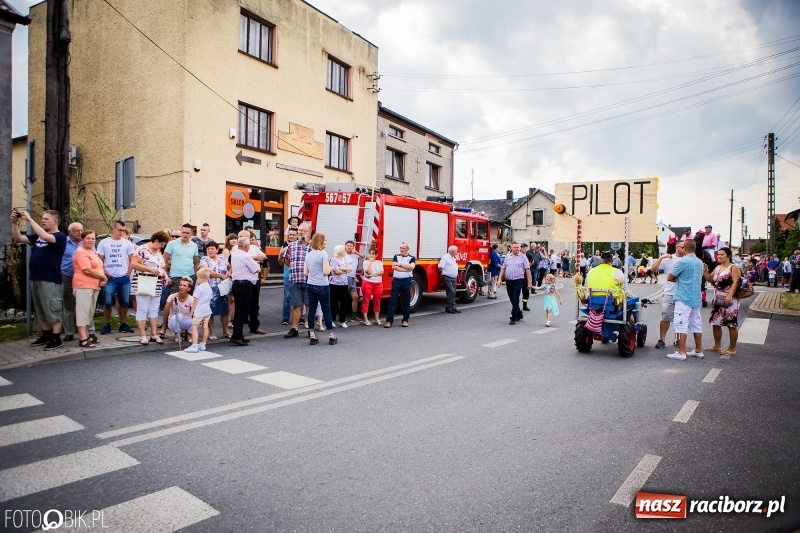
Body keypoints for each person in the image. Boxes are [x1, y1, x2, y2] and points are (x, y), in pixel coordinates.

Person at [11, 209, 68, 350]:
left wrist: (30, 220)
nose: (43, 220)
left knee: (52, 308)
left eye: (46, 219)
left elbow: (47, 237)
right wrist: (14, 223)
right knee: (41, 309)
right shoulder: (37, 237)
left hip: (50, 279)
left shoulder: (60, 236)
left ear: (55, 221)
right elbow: (19, 239)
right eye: (42, 218)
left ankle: (56, 338)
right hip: (36, 278)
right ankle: (46, 334)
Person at [666, 239, 705, 360]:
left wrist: (679, 280)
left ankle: (681, 352)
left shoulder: (682, 262)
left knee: (681, 324)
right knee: (696, 324)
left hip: (683, 297)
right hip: (696, 298)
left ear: (685, 248)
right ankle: (699, 350)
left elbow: (670, 277)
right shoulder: (699, 262)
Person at [96, 220, 136, 335]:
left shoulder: (127, 243)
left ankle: (123, 323)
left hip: (123, 277)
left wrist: (128, 272)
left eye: (123, 231)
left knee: (124, 302)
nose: (121, 233)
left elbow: (131, 260)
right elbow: (100, 260)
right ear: (113, 229)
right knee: (107, 302)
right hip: (109, 277)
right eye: (119, 230)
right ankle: (106, 324)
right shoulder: (104, 243)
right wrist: (105, 273)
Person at [130, 231, 169, 345]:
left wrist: (166, 276)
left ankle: (154, 334)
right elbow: (134, 264)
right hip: (143, 281)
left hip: (156, 283)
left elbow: (160, 267)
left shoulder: (158, 252)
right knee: (143, 309)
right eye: (161, 244)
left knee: (153, 309)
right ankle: (142, 335)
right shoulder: (142, 249)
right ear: (156, 241)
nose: (162, 247)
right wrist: (150, 269)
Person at [60, 221, 96, 343]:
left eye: (81, 230)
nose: (80, 232)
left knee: (87, 306)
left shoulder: (86, 241)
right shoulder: (63, 242)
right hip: (68, 276)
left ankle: (90, 331)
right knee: (69, 305)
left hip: (86, 278)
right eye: (77, 230)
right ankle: (69, 332)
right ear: (70, 231)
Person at [72, 229, 107, 348]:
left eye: (93, 238)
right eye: (88, 238)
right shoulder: (80, 252)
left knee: (89, 313)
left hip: (94, 286)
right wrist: (103, 277)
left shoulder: (93, 252)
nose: (91, 240)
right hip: (83, 286)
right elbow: (86, 270)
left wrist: (102, 278)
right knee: (82, 312)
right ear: (82, 240)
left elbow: (99, 267)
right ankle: (83, 339)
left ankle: (87, 336)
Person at [703, 247, 741, 356]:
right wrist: (705, 271)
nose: (719, 256)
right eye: (718, 254)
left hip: (730, 300)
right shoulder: (718, 267)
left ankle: (732, 348)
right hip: (718, 299)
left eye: (722, 254)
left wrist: (730, 295)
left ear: (728, 255)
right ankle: (717, 346)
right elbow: (710, 279)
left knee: (731, 324)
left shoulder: (733, 267)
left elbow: (736, 282)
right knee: (715, 322)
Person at [649, 242, 686, 348]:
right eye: (682, 247)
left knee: (680, 317)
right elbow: (653, 269)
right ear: (677, 248)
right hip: (669, 293)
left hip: (683, 293)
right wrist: (661, 258)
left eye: (686, 247)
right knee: (665, 316)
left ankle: (678, 339)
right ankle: (662, 339)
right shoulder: (668, 259)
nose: (684, 249)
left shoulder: (687, 260)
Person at [304, 233, 337, 345]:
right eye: (325, 240)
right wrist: (331, 268)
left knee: (312, 310)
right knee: (326, 310)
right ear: (321, 241)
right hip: (322, 285)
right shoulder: (323, 254)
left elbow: (305, 272)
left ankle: (312, 336)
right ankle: (331, 336)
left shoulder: (308, 255)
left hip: (311, 284)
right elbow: (326, 272)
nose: (326, 242)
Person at [230, 236, 261, 346]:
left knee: (239, 310)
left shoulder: (235, 254)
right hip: (245, 285)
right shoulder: (246, 256)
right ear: (246, 246)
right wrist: (257, 265)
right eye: (248, 245)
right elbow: (256, 269)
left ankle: (239, 335)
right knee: (242, 312)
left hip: (237, 284)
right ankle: (237, 336)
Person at [284, 222, 312, 338]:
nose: (300, 233)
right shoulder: (292, 245)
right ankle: (294, 328)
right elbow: (286, 260)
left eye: (303, 231)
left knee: (309, 305)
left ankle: (311, 329)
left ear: (309, 232)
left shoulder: (314, 246)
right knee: (296, 305)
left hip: (309, 280)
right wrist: (293, 268)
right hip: (295, 279)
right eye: (299, 231)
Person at [199, 241, 230, 339]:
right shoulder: (204, 259)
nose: (210, 250)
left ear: (217, 250)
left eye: (212, 248)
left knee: (224, 310)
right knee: (210, 310)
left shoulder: (222, 258)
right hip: (209, 288)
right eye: (208, 249)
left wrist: (229, 273)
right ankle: (212, 332)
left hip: (222, 288)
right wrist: (221, 275)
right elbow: (207, 271)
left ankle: (226, 331)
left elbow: (230, 266)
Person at [239, 230, 267, 334]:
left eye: (243, 236)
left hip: (254, 280)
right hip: (242, 280)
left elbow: (264, 257)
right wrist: (253, 260)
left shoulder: (254, 248)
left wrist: (249, 258)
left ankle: (254, 326)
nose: (241, 238)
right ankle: (240, 329)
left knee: (254, 304)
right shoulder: (235, 249)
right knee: (242, 305)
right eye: (240, 236)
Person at [498, 242, 532, 325]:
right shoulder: (507, 256)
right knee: (512, 299)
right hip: (509, 281)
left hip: (518, 280)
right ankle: (519, 313)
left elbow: (527, 270)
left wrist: (529, 283)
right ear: (511, 248)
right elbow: (503, 268)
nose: (516, 249)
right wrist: (499, 279)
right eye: (515, 247)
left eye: (518, 247)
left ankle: (513, 318)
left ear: (520, 248)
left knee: (515, 298)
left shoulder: (523, 257)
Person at [384, 242, 416, 328]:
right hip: (396, 281)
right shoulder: (396, 256)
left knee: (406, 301)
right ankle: (389, 321)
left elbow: (412, 267)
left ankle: (405, 320)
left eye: (403, 248)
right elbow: (394, 267)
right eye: (400, 248)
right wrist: (406, 269)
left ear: (407, 249)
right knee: (392, 301)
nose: (401, 249)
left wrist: (400, 265)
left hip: (406, 281)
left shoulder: (412, 258)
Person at [163, 223, 199, 294]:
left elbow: (196, 262)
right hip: (176, 277)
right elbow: (164, 260)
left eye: (187, 233)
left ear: (191, 234)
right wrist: (166, 276)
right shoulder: (172, 244)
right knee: (174, 299)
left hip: (190, 277)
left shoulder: (194, 246)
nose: (185, 234)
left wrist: (195, 275)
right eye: (183, 232)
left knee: (189, 301)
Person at [185, 268, 213, 353]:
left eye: (197, 277)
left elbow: (195, 301)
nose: (197, 279)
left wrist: (192, 310)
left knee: (194, 326)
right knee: (205, 326)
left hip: (199, 310)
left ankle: (194, 345)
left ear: (201, 277)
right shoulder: (209, 287)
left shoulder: (199, 288)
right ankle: (203, 344)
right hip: (207, 310)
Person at [160, 277, 195, 342]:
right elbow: (165, 311)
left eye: (184, 286)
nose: (181, 287)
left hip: (184, 322)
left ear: (189, 288)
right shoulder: (172, 296)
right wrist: (171, 301)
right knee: (179, 316)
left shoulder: (191, 298)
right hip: (173, 323)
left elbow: (194, 312)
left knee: (195, 319)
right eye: (180, 285)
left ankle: (188, 334)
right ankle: (177, 334)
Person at [278, 228, 298, 325]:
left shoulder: (300, 247)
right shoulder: (284, 246)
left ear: (297, 236)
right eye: (290, 234)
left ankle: (300, 318)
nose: (291, 236)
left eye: (294, 235)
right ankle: (285, 318)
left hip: (298, 275)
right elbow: (280, 263)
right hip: (287, 275)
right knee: (287, 297)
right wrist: (281, 253)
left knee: (299, 297)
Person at [329, 245, 352, 327]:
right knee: (333, 302)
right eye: (343, 250)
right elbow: (336, 272)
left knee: (344, 302)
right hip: (334, 284)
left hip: (344, 284)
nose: (345, 251)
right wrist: (345, 270)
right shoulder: (333, 260)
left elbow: (350, 269)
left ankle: (342, 321)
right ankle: (331, 320)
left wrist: (342, 269)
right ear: (339, 252)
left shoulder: (345, 259)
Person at [361, 247, 384, 325]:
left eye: (373, 254)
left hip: (378, 283)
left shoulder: (379, 262)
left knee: (377, 301)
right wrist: (370, 263)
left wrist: (373, 274)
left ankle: (377, 319)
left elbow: (381, 272)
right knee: (366, 300)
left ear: (376, 255)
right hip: (367, 283)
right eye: (370, 253)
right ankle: (366, 319)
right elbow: (368, 272)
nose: (371, 255)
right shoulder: (365, 262)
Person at [438, 245, 460, 314]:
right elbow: (440, 267)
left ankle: (453, 307)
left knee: (453, 293)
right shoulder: (445, 257)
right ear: (452, 251)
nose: (457, 252)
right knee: (451, 292)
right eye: (456, 251)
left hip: (453, 278)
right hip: (447, 277)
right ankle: (448, 308)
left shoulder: (453, 258)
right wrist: (443, 274)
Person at [520, 243, 531, 310]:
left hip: (526, 276)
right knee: (517, 292)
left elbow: (532, 261)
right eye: (523, 248)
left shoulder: (527, 255)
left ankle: (525, 305)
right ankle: (516, 305)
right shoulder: (518, 255)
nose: (524, 249)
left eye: (525, 248)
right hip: (519, 276)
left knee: (526, 292)